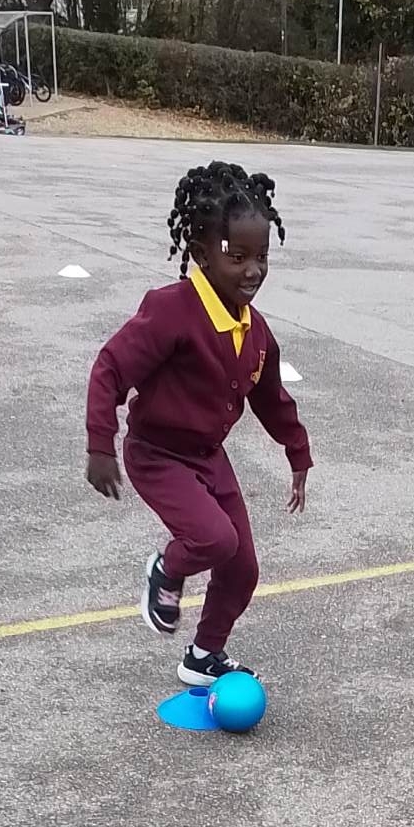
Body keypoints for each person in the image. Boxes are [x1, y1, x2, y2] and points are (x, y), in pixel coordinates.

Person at [85, 161, 312, 687]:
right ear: (202, 253)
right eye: (237, 256)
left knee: (243, 567)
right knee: (214, 539)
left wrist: (297, 452)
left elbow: (271, 398)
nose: (252, 270)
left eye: (261, 257)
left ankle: (203, 655)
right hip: (157, 454)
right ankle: (166, 568)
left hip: (209, 456)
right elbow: (111, 367)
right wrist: (101, 444)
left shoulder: (254, 331)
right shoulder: (172, 311)